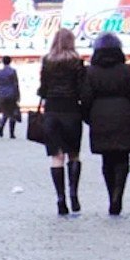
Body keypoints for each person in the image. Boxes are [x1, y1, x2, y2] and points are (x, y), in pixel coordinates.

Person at [81, 34, 130, 216]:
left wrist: (88, 117)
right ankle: (118, 195)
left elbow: (86, 98)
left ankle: (111, 193)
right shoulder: (125, 71)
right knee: (122, 158)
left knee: (107, 159)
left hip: (100, 116)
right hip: (124, 115)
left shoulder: (91, 71)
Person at [37, 28, 85, 215]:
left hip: (52, 111)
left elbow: (43, 88)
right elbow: (82, 89)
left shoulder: (47, 61)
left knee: (56, 156)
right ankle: (73, 193)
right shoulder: (76, 62)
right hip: (72, 110)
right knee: (73, 154)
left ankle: (60, 198)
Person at [0, 55, 21, 138]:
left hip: (1, 93)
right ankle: (12, 133)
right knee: (12, 112)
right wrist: (18, 95)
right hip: (11, 93)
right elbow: (15, 84)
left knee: (5, 112)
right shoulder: (12, 71)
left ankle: (1, 127)